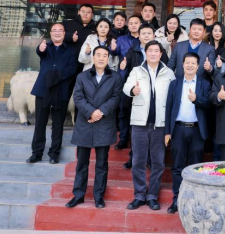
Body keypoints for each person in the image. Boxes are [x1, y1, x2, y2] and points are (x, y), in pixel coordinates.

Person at [66, 47, 122, 209]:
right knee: (82, 163)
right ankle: (78, 195)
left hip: (104, 124)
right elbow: (78, 97)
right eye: (98, 55)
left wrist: (100, 112)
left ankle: (99, 196)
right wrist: (91, 112)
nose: (101, 58)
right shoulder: (82, 76)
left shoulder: (115, 77)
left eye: (105, 55)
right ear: (93, 58)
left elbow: (116, 97)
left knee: (102, 163)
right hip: (85, 123)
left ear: (108, 59)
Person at [123, 41, 175, 211]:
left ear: (161, 53)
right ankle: (139, 195)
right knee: (138, 160)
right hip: (139, 122)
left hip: (160, 124)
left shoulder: (169, 73)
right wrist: (133, 90)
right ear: (145, 53)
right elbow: (126, 87)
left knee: (158, 162)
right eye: (150, 50)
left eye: (156, 51)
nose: (153, 53)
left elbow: (173, 96)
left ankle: (152, 195)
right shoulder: (136, 70)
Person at [164, 52, 211, 214]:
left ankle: (195, 201)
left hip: (197, 130)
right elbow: (168, 108)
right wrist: (167, 131)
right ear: (182, 65)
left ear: (198, 66)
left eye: (193, 63)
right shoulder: (174, 84)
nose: (190, 65)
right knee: (177, 166)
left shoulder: (204, 84)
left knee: (196, 167)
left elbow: (209, 105)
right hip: (178, 129)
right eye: (187, 63)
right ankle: (177, 200)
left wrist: (196, 99)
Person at [27, 23, 77, 165]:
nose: (57, 32)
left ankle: (54, 154)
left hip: (61, 89)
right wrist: (40, 48)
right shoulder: (45, 47)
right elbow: (40, 51)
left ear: (64, 33)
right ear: (50, 33)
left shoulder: (71, 50)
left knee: (58, 124)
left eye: (60, 30)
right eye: (54, 30)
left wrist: (57, 76)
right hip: (43, 89)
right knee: (40, 122)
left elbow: (72, 68)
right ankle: (36, 153)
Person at [117, 24, 168, 154]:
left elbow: (167, 70)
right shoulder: (133, 49)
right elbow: (126, 67)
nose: (146, 36)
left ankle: (150, 158)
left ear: (154, 35)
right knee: (136, 127)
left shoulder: (160, 50)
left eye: (149, 33)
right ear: (138, 36)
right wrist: (122, 66)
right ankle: (132, 154)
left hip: (155, 95)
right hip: (137, 93)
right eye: (143, 33)